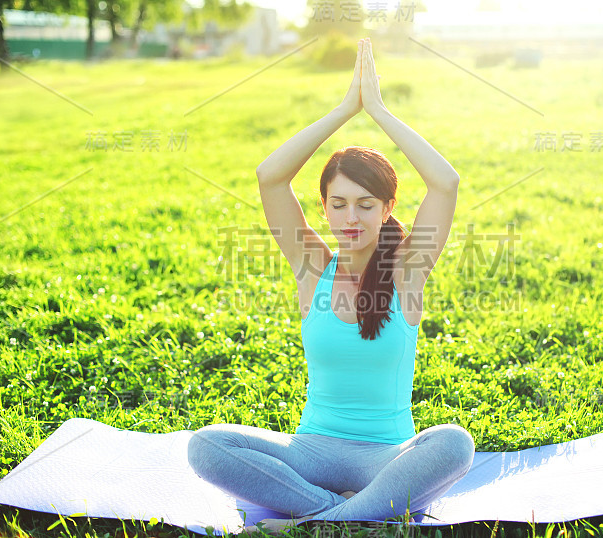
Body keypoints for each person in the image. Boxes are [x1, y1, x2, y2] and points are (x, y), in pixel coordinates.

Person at [187, 37, 474, 535]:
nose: (351, 216)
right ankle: (348, 517)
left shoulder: (408, 270)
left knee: (455, 443)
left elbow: (444, 183)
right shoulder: (310, 266)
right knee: (205, 445)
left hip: (386, 459)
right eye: (339, 203)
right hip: (310, 453)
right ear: (324, 208)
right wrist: (345, 109)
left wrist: (378, 111)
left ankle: (309, 524)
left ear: (387, 211)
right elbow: (270, 177)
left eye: (366, 204)